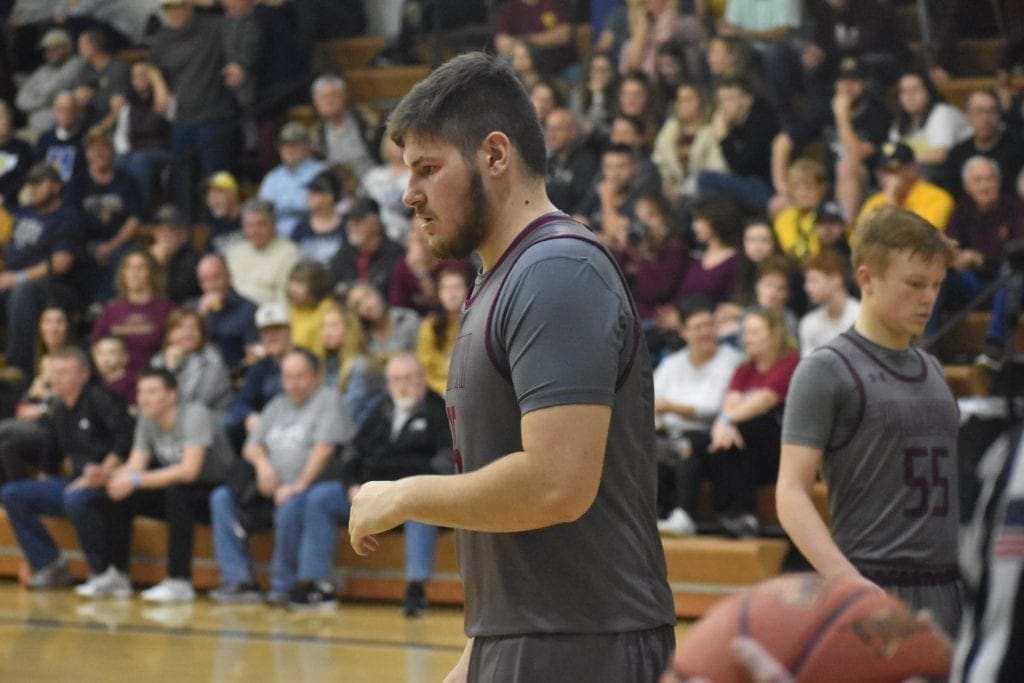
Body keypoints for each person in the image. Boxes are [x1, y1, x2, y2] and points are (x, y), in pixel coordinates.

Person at [347, 52, 676, 682]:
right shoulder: (501, 278)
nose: (408, 193)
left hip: (585, 649)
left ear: (496, 156)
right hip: (526, 638)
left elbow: (557, 485)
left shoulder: (556, 272)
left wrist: (405, 496)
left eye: (427, 168)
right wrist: (475, 660)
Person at [776, 206, 963, 636]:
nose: (928, 298)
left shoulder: (933, 369)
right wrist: (846, 580)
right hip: (871, 582)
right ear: (866, 279)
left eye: (936, 285)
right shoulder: (825, 369)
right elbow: (790, 492)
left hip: (949, 587)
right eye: (915, 284)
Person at [292, 354, 451, 614]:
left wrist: (406, 489)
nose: (402, 385)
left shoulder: (438, 411)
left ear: (422, 378)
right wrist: (352, 485)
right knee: (320, 497)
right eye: (395, 380)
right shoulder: (379, 410)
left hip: (411, 493)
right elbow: (353, 451)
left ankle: (416, 590)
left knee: (422, 505)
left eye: (408, 378)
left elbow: (446, 460)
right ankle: (315, 583)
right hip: (370, 492)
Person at [208, 349, 354, 605]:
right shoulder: (277, 405)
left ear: (316, 376)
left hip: (311, 485)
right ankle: (239, 580)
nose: (293, 384)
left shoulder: (328, 400)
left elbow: (325, 448)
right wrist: (264, 467)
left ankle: (283, 585)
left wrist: (298, 485)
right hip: (270, 485)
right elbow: (251, 447)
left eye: (300, 377)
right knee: (221, 497)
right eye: (287, 377)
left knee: (290, 504)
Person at [82, 367, 235, 604]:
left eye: (152, 392)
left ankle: (179, 581)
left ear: (172, 395)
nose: (143, 398)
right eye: (141, 392)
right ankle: (118, 575)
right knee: (120, 492)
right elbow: (135, 465)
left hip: (215, 491)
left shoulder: (195, 413)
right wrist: (108, 475)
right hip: (180, 489)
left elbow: (189, 471)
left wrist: (134, 480)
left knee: (177, 494)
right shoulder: (147, 418)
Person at [0, 348, 135, 592]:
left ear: (83, 375)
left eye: (63, 372)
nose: (56, 378)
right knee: (12, 494)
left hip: (111, 482)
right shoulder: (59, 409)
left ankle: (104, 572)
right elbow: (50, 457)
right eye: (53, 372)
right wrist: (43, 481)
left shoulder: (100, 398)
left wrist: (104, 470)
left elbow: (125, 437)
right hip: (76, 481)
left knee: (76, 498)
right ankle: (50, 564)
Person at [654, 297, 745, 536]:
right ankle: (653, 514)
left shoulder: (731, 360)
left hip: (713, 436)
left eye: (710, 325)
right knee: (647, 446)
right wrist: (665, 412)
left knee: (686, 444)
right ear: (683, 332)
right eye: (698, 327)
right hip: (671, 434)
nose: (706, 332)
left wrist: (670, 407)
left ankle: (684, 514)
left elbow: (712, 408)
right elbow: (651, 403)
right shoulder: (672, 363)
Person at [711, 308, 800, 537]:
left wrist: (725, 421)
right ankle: (740, 516)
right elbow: (731, 403)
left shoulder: (790, 362)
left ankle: (737, 511)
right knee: (725, 439)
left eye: (754, 332)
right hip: (750, 449)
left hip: (785, 447)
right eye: (746, 332)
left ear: (774, 333)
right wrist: (722, 424)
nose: (747, 338)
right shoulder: (744, 369)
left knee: (747, 428)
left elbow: (765, 400)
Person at [2, 163, 83, 381]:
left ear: (56, 187)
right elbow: (5, 247)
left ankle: (19, 368)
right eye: (30, 184)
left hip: (57, 288)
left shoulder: (66, 218)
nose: (33, 189)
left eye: (39, 183)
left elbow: (60, 263)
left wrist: (16, 277)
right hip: (11, 280)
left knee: (23, 291)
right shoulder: (23, 212)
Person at [66, 130, 141, 305]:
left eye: (103, 148)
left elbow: (134, 220)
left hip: (120, 242)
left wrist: (110, 246)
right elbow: (71, 220)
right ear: (86, 154)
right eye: (93, 149)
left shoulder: (128, 182)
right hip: (86, 243)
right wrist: (92, 246)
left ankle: (114, 307)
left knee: (125, 257)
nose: (98, 153)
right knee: (76, 257)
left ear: (112, 152)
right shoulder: (77, 183)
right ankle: (87, 309)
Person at [90, 249, 175, 385]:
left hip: (153, 383)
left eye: (141, 267)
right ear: (123, 273)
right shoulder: (111, 311)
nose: (134, 272)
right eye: (129, 267)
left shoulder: (167, 310)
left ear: (152, 272)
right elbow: (96, 347)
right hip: (115, 385)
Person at [150, 307, 234, 414]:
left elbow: (195, 404)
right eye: (180, 328)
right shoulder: (158, 360)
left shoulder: (213, 360)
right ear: (169, 334)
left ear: (202, 334)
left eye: (193, 328)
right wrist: (169, 366)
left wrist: (171, 370)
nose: (187, 333)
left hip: (208, 420)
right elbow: (154, 401)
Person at [858, 142, 955, 232]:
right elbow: (857, 240)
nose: (887, 178)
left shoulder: (937, 198)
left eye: (893, 171)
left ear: (912, 169)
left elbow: (919, 241)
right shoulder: (874, 202)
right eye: (883, 172)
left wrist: (892, 200)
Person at [189, 252, 258, 373]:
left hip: (233, 376)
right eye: (204, 281)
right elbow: (185, 347)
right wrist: (201, 316)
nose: (211, 286)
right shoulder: (191, 309)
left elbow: (253, 356)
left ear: (229, 277)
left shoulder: (248, 310)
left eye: (215, 278)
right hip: (195, 375)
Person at [225, 199, 302, 307]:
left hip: (268, 316)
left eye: (261, 224)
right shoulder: (236, 253)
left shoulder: (289, 253)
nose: (254, 231)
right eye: (249, 225)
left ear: (274, 225)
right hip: (233, 313)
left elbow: (286, 301)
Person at [257, 122, 326, 239]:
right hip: (278, 239)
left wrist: (283, 207)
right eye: (284, 145)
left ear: (308, 146)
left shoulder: (323, 171)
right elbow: (263, 211)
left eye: (294, 145)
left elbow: (322, 207)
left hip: (314, 235)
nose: (289, 149)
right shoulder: (272, 178)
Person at [328, 197, 405, 300]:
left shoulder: (395, 252)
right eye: (348, 221)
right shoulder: (344, 253)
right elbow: (333, 287)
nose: (351, 226)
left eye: (358, 221)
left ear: (376, 223)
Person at [416, 267, 471, 396]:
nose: (451, 294)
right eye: (445, 289)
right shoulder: (429, 326)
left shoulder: (479, 321)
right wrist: (445, 390)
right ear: (439, 294)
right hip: (439, 393)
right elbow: (426, 370)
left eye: (457, 287)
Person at [798, 250, 860, 356]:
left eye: (814, 281)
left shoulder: (861, 317)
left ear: (836, 280)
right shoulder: (809, 323)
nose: (807, 288)